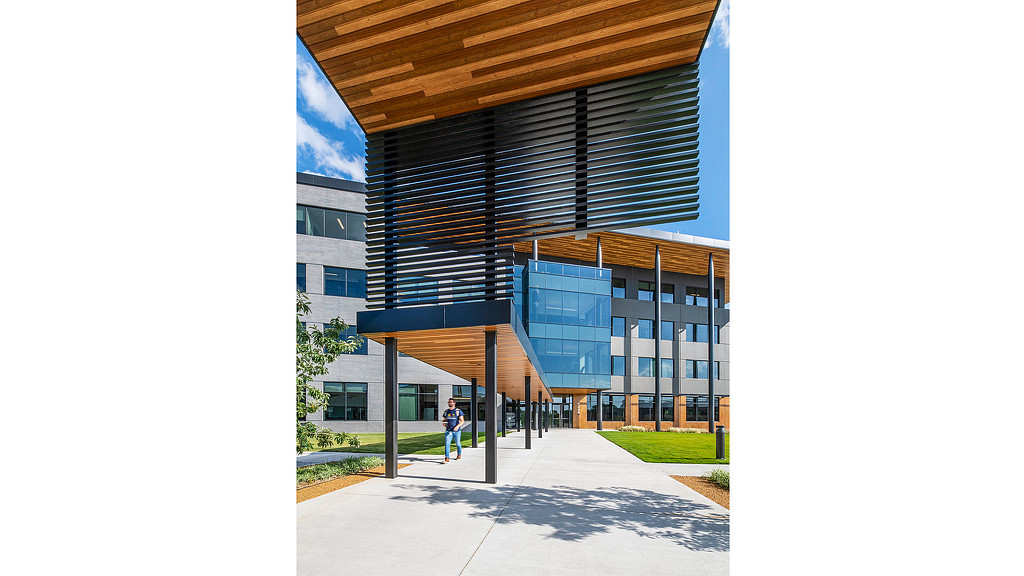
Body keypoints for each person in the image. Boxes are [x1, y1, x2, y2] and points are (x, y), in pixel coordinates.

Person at [440, 397, 465, 463]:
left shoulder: (458, 411)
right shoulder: (446, 411)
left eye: (451, 402)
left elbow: (462, 421)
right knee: (447, 444)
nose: (449, 403)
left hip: (457, 431)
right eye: (448, 402)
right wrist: (444, 423)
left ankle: (459, 454)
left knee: (458, 444)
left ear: (454, 403)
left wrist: (457, 427)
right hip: (448, 431)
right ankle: (447, 457)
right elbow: (444, 419)